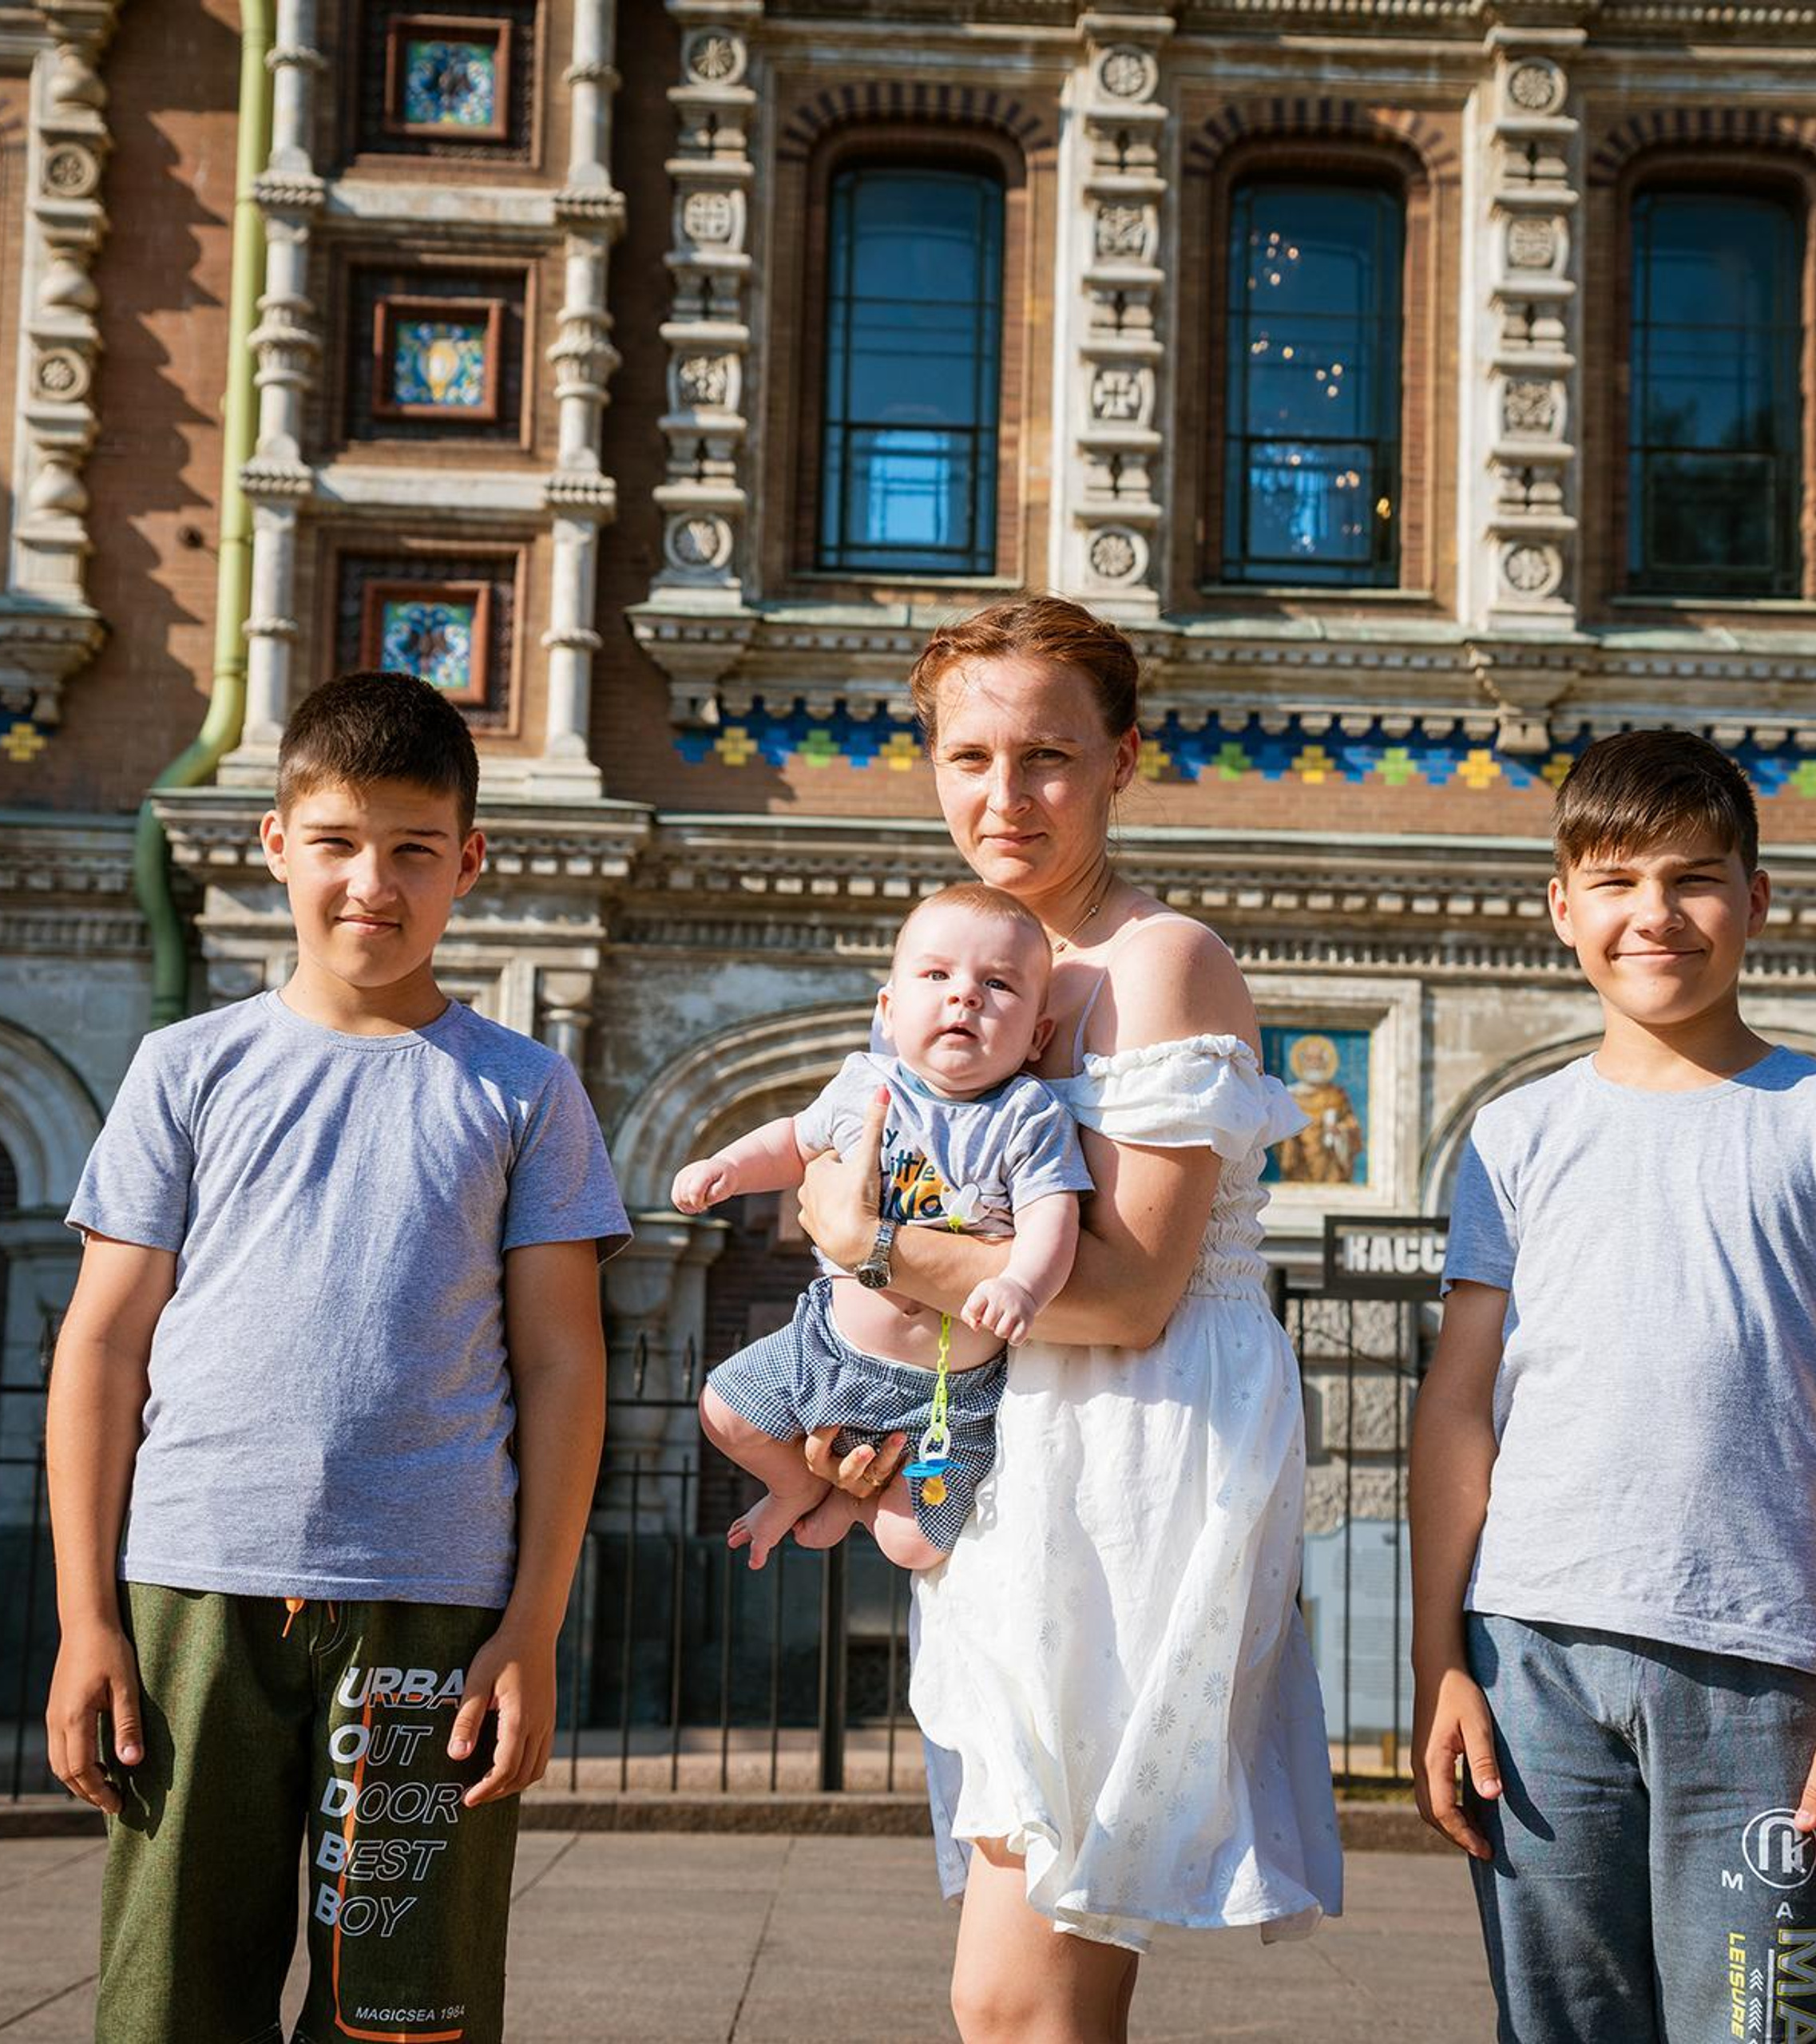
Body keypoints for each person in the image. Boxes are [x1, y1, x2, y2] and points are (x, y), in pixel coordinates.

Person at [45, 671, 629, 2043]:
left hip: (433, 1609)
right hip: (194, 1592)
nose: (374, 883)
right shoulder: (185, 1071)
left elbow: (560, 1365)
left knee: (402, 2018)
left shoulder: (526, 1092)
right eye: (339, 843)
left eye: (416, 849)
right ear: (276, 845)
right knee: (168, 2003)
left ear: (470, 863)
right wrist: (87, 1622)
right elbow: (103, 1344)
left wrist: (532, 1627)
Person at [795, 596, 1342, 2043]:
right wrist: (873, 1419)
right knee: (1025, 1984)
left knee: (1020, 1991)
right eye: (968, 756)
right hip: (1006, 1434)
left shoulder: (1159, 962)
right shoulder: (965, 968)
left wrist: (874, 1240)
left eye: (1047, 756)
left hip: (1135, 1450)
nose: (1004, 794)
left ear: (1121, 761)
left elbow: (1131, 1291)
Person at [1410, 730, 1816, 2044]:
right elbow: (1457, 1407)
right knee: (1562, 2028)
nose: (1653, 915)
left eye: (1694, 879)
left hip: (1771, 1678)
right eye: (1613, 882)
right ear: (1561, 910)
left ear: (1756, 899)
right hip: (1531, 1661)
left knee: (1758, 2025)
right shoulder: (1517, 1135)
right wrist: (1438, 1659)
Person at [674, 882, 1091, 1571]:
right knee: (723, 1410)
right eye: (937, 975)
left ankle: (859, 1502)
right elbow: (791, 1142)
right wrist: (727, 1167)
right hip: (828, 1350)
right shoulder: (865, 1084)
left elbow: (1055, 1216)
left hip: (950, 1396)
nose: (966, 996)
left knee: (913, 1546)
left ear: (1037, 1036)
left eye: (999, 984)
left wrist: (1022, 1284)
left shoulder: (1029, 1115)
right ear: (890, 1013)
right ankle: (795, 1483)